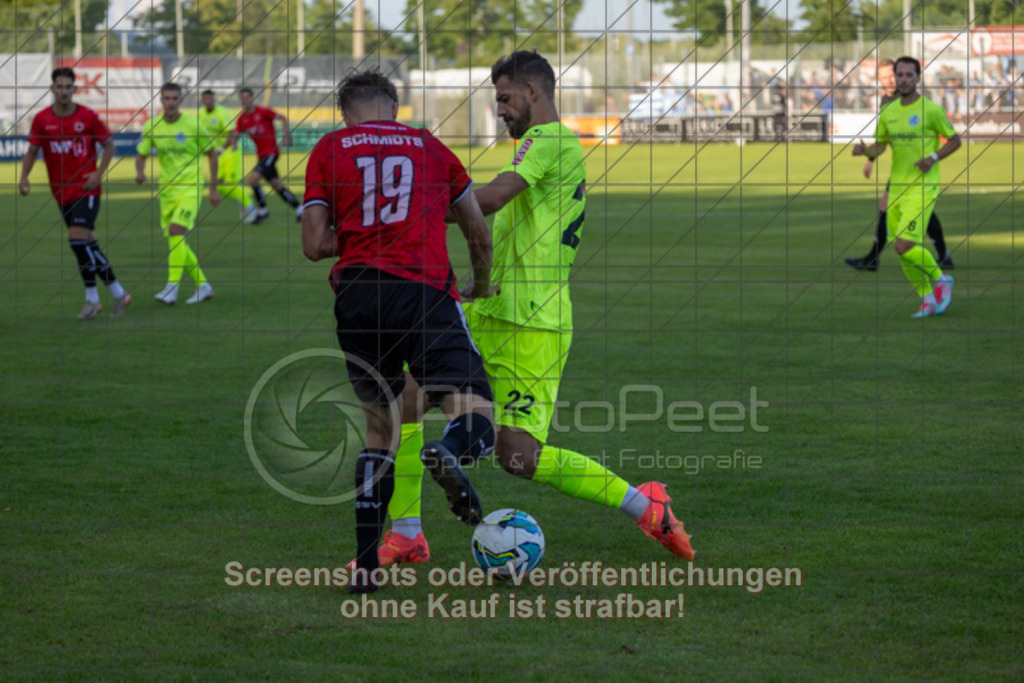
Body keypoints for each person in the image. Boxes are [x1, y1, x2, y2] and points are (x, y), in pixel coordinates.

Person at [377, 50, 695, 568]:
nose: (499, 109)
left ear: (533, 91)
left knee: (518, 457)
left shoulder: (551, 140)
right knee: (403, 402)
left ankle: (644, 503)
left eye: (504, 98)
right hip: (488, 313)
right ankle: (407, 533)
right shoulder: (536, 146)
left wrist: (419, 209)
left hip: (533, 323)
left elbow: (495, 197)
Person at [300, 69, 498, 592]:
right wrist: (480, 284)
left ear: (346, 113)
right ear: (394, 105)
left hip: (358, 298)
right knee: (476, 407)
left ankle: (366, 568)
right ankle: (450, 451)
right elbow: (477, 230)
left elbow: (314, 245)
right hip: (422, 289)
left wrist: (365, 233)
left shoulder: (330, 148)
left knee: (380, 427)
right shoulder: (428, 147)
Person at [19, 67, 130, 320]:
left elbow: (109, 145)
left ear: (75, 90)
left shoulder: (88, 116)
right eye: (59, 86)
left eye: (68, 86)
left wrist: (98, 173)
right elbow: (32, 151)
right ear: (52, 89)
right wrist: (24, 177)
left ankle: (92, 299)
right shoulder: (42, 119)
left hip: (86, 187)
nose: (64, 91)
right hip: (60, 192)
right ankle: (118, 292)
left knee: (76, 239)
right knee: (88, 244)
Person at [853, 57, 960, 318]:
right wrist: (865, 151)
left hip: (923, 187)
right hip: (898, 186)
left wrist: (932, 158)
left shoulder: (931, 110)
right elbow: (881, 145)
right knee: (901, 250)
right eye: (899, 74)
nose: (902, 79)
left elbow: (955, 140)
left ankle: (941, 279)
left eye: (908, 74)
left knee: (904, 245)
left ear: (917, 77)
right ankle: (927, 300)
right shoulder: (889, 112)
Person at [136, 82, 221, 305]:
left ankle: (171, 288)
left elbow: (212, 154)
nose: (171, 103)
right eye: (167, 98)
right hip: (166, 191)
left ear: (181, 100)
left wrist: (212, 188)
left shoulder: (193, 125)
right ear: (161, 100)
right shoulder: (152, 126)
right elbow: (142, 153)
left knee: (176, 231)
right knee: (177, 241)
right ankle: (203, 286)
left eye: (175, 98)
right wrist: (139, 171)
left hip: (191, 188)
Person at [227, 88, 302, 223]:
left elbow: (283, 118)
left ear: (252, 98)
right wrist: (232, 142)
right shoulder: (242, 119)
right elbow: (236, 134)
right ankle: (300, 209)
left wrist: (286, 135)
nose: (244, 100)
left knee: (252, 180)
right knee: (276, 185)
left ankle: (263, 211)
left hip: (271, 152)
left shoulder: (263, 112)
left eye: (247, 97)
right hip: (261, 155)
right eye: (242, 98)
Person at [197, 90, 258, 223]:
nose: (208, 102)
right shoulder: (200, 114)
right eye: (205, 99)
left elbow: (232, 133)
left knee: (231, 183)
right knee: (218, 187)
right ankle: (244, 203)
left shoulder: (221, 112)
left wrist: (221, 149)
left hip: (230, 151)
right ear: (202, 101)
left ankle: (251, 209)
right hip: (217, 155)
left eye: (211, 99)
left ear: (214, 100)